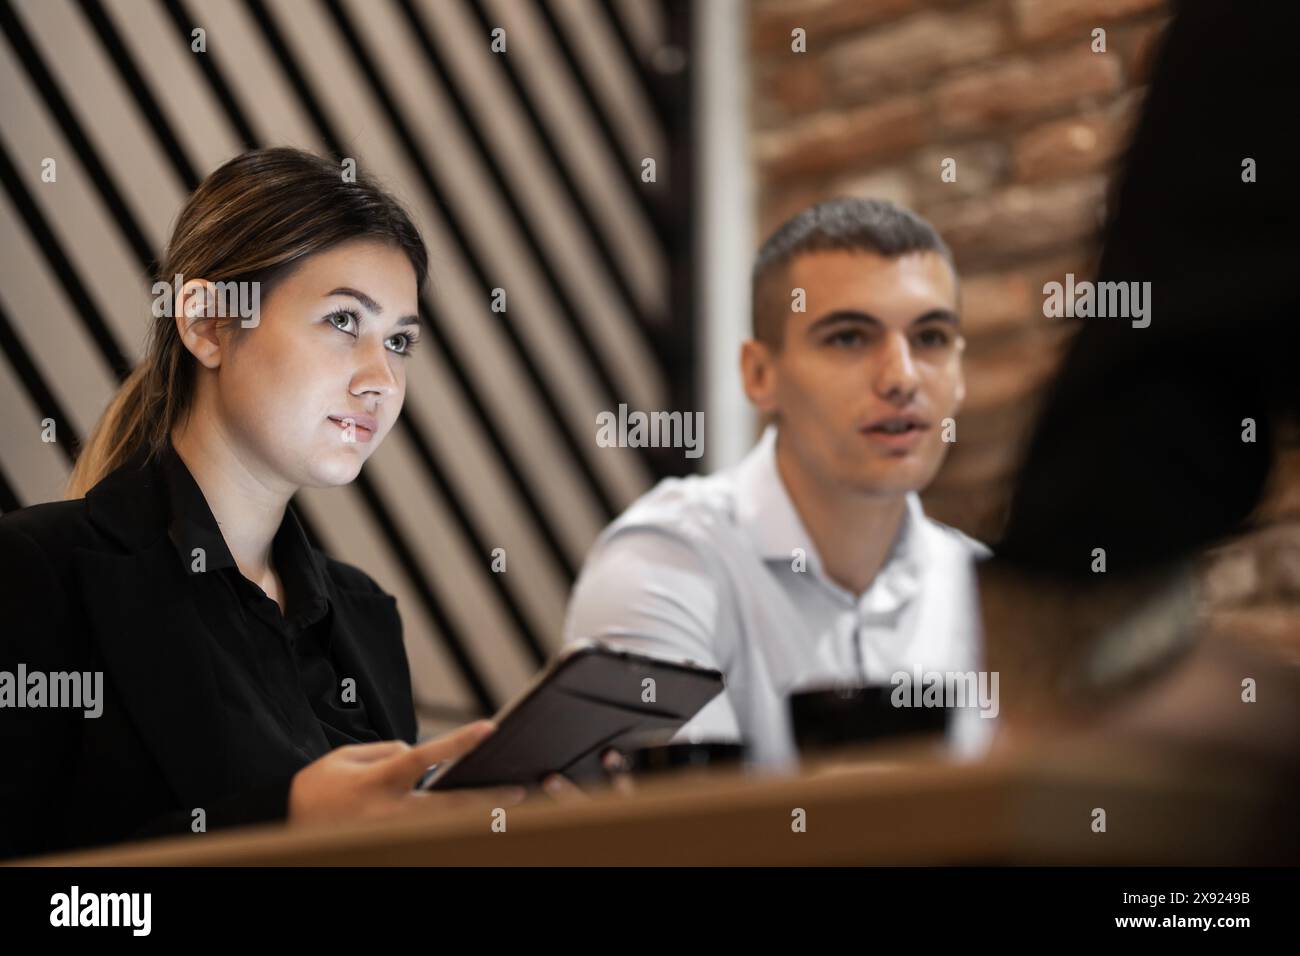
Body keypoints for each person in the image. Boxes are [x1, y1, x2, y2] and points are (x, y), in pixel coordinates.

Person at [0, 148, 571, 861]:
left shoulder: (364, 617)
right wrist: (285, 822)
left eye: (399, 342)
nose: (381, 380)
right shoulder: (35, 576)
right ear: (207, 323)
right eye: (341, 322)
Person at [564, 198, 993, 770]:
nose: (902, 377)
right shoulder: (666, 559)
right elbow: (668, 841)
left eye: (931, 338)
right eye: (848, 338)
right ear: (760, 375)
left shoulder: (988, 590)